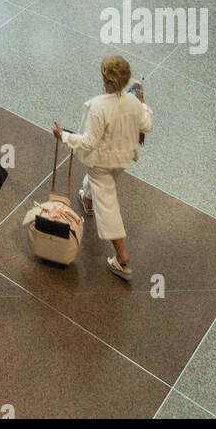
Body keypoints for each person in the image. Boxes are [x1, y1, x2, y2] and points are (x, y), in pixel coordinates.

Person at [53, 54, 153, 281]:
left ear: (105, 79)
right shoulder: (134, 102)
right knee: (100, 186)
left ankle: (121, 257)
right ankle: (87, 200)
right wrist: (143, 102)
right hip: (124, 158)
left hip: (101, 161)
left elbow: (89, 142)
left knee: (107, 204)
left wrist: (64, 136)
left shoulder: (98, 106)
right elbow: (147, 124)